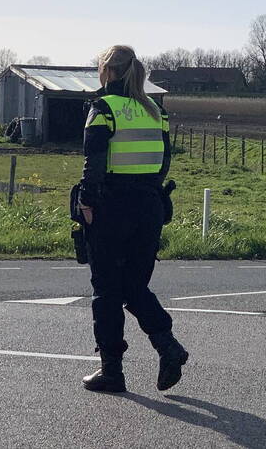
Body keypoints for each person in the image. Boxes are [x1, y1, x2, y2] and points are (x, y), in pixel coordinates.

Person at [76, 45, 188, 394]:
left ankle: (112, 371)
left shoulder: (104, 108)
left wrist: (87, 202)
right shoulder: (155, 110)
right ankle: (167, 346)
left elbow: (93, 160)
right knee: (135, 286)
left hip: (112, 207)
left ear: (107, 70)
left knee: (107, 290)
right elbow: (163, 162)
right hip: (149, 206)